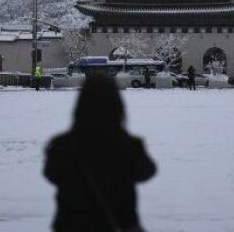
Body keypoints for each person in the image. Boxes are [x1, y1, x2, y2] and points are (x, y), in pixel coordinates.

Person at [44, 75, 157, 232]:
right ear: (117, 106)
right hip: (119, 222)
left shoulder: (62, 145)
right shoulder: (129, 145)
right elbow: (147, 172)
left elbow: (51, 174)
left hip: (71, 223)